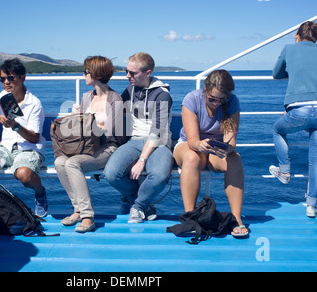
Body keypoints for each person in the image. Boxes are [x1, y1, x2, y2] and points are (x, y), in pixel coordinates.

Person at [269, 21, 317, 218]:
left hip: (299, 111)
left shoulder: (289, 48)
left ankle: (285, 171)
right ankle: (312, 206)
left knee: (277, 130)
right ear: (316, 37)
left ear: (297, 35)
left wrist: (293, 72)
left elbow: (276, 74)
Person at [173, 69, 249, 237]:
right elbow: (192, 140)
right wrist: (200, 145)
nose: (216, 103)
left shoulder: (233, 102)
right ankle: (190, 217)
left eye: (221, 100)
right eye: (212, 99)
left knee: (235, 159)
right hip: (189, 145)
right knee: (192, 157)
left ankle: (236, 218)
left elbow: (231, 142)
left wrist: (228, 148)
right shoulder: (191, 99)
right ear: (205, 90)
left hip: (216, 148)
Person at [55, 56, 126, 232]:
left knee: (72, 163)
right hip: (85, 146)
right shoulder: (87, 97)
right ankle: (77, 209)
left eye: (86, 71)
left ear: (97, 74)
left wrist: (88, 123)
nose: (84, 74)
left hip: (107, 147)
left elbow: (112, 134)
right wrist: (75, 119)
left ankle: (88, 216)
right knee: (59, 162)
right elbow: (82, 126)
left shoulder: (115, 100)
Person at [0, 58, 48, 217]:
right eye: (2, 79)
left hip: (29, 149)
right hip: (6, 147)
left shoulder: (34, 104)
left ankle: (40, 192)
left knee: (24, 175)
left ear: (22, 78)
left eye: (11, 78)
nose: (6, 82)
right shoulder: (3, 95)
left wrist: (15, 125)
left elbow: (34, 138)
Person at [104, 52, 174, 223]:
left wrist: (142, 160)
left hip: (159, 143)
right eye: (126, 71)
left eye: (132, 73)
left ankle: (137, 206)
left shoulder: (162, 95)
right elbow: (116, 107)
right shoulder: (131, 88)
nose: (128, 76)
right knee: (111, 174)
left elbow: (157, 133)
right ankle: (142, 201)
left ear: (147, 73)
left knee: (159, 176)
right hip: (134, 140)